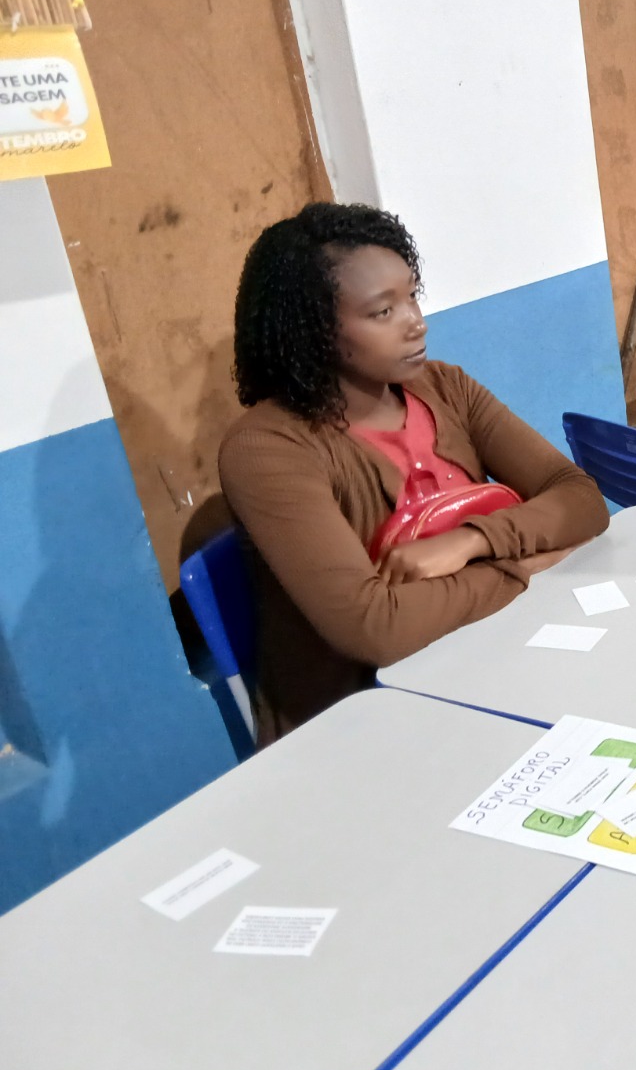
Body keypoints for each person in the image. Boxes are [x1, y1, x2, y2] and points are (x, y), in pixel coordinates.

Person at [219, 203, 608, 743]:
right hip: (365, 722)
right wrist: (525, 565)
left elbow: (579, 498)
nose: (416, 323)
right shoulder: (268, 448)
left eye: (412, 296)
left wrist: (472, 541)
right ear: (313, 332)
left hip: (492, 655)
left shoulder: (446, 388)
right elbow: (376, 628)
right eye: (383, 312)